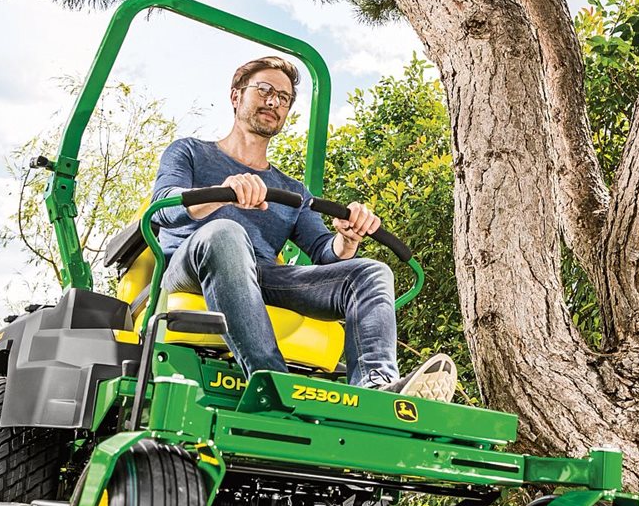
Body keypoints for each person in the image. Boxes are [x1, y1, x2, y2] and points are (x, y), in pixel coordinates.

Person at [151, 54, 456, 401]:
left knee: (372, 273)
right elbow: (165, 207)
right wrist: (224, 195)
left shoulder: (292, 191)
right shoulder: (189, 152)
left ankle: (376, 389)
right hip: (190, 267)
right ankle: (273, 382)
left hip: (262, 277)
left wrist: (346, 238)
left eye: (283, 98)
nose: (273, 102)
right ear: (236, 96)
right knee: (225, 232)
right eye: (264, 90)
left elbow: (326, 254)